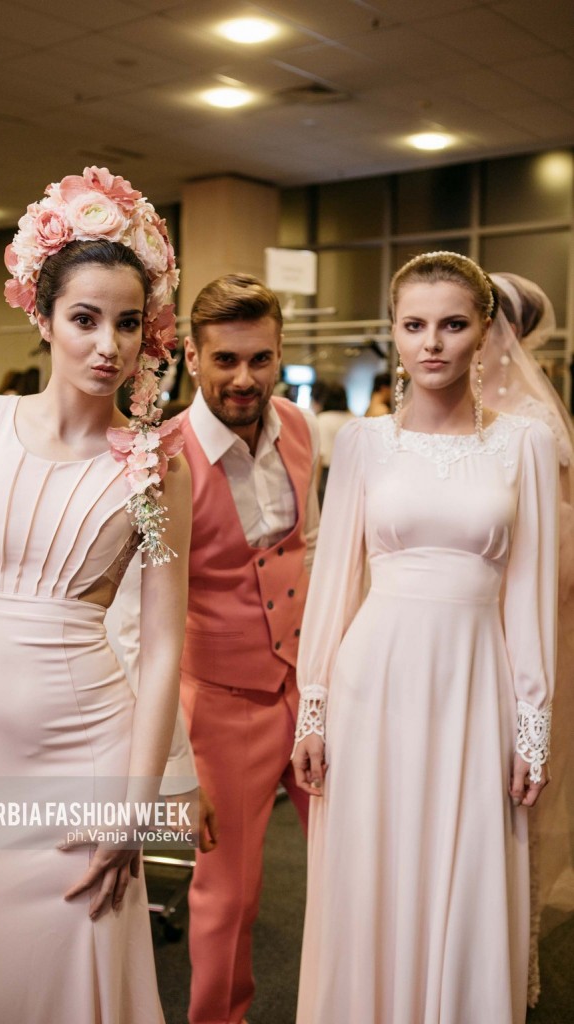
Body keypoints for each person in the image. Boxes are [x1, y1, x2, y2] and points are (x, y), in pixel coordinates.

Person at [0, 166, 191, 1023]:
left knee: (82, 972)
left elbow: (165, 645)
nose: (109, 345)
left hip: (88, 755)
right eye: (85, 319)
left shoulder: (156, 468)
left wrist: (134, 807)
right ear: (42, 316)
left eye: (129, 323)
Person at [292, 251, 559, 1024]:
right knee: (370, 865)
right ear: (394, 333)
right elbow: (333, 581)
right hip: (371, 683)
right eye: (413, 325)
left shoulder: (524, 444)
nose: (431, 343)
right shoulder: (362, 443)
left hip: (476, 684)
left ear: (483, 332)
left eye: (451, 324)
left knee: (469, 864)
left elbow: (530, 594)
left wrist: (531, 723)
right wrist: (313, 706)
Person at [177, 273, 319, 1024]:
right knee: (228, 897)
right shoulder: (163, 457)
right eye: (225, 359)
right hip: (222, 705)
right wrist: (171, 754)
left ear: (279, 353)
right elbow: (139, 620)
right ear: (191, 357)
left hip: (310, 686)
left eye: (260, 359)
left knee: (351, 863)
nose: (243, 378)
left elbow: (311, 545)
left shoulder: (298, 425)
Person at [481, 271, 574, 1005]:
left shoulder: (536, 426)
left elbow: (560, 554)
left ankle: (508, 961)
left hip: (518, 629)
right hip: (446, 628)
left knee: (513, 794)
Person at [311, 381, 353, 504]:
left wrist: (314, 490)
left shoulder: (322, 420)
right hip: (349, 473)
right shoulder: (353, 420)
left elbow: (320, 455)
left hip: (326, 474)